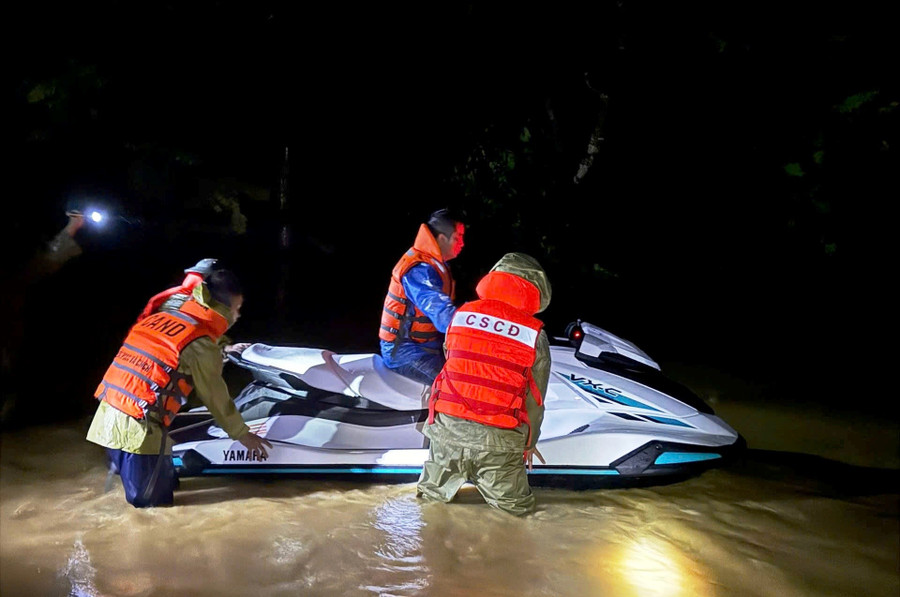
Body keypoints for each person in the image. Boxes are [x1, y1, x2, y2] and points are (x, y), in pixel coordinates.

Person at [86, 267, 272, 508]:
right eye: (237, 309)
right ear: (222, 308)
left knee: (167, 486)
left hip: (108, 418)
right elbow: (215, 396)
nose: (238, 316)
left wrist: (222, 350)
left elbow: (172, 352)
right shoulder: (202, 346)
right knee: (153, 512)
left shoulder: (166, 315)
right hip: (139, 433)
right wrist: (242, 434)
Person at [416, 252, 552, 516]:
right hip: (498, 445)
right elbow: (535, 400)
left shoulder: (461, 316)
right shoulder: (536, 335)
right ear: (537, 291)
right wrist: (529, 442)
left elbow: (453, 365)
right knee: (517, 517)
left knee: (429, 510)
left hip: (447, 436)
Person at [378, 208, 466, 384]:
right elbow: (443, 316)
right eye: (458, 238)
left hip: (425, 347)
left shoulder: (436, 264)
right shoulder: (419, 270)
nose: (462, 243)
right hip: (404, 351)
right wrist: (475, 327)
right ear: (442, 238)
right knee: (457, 385)